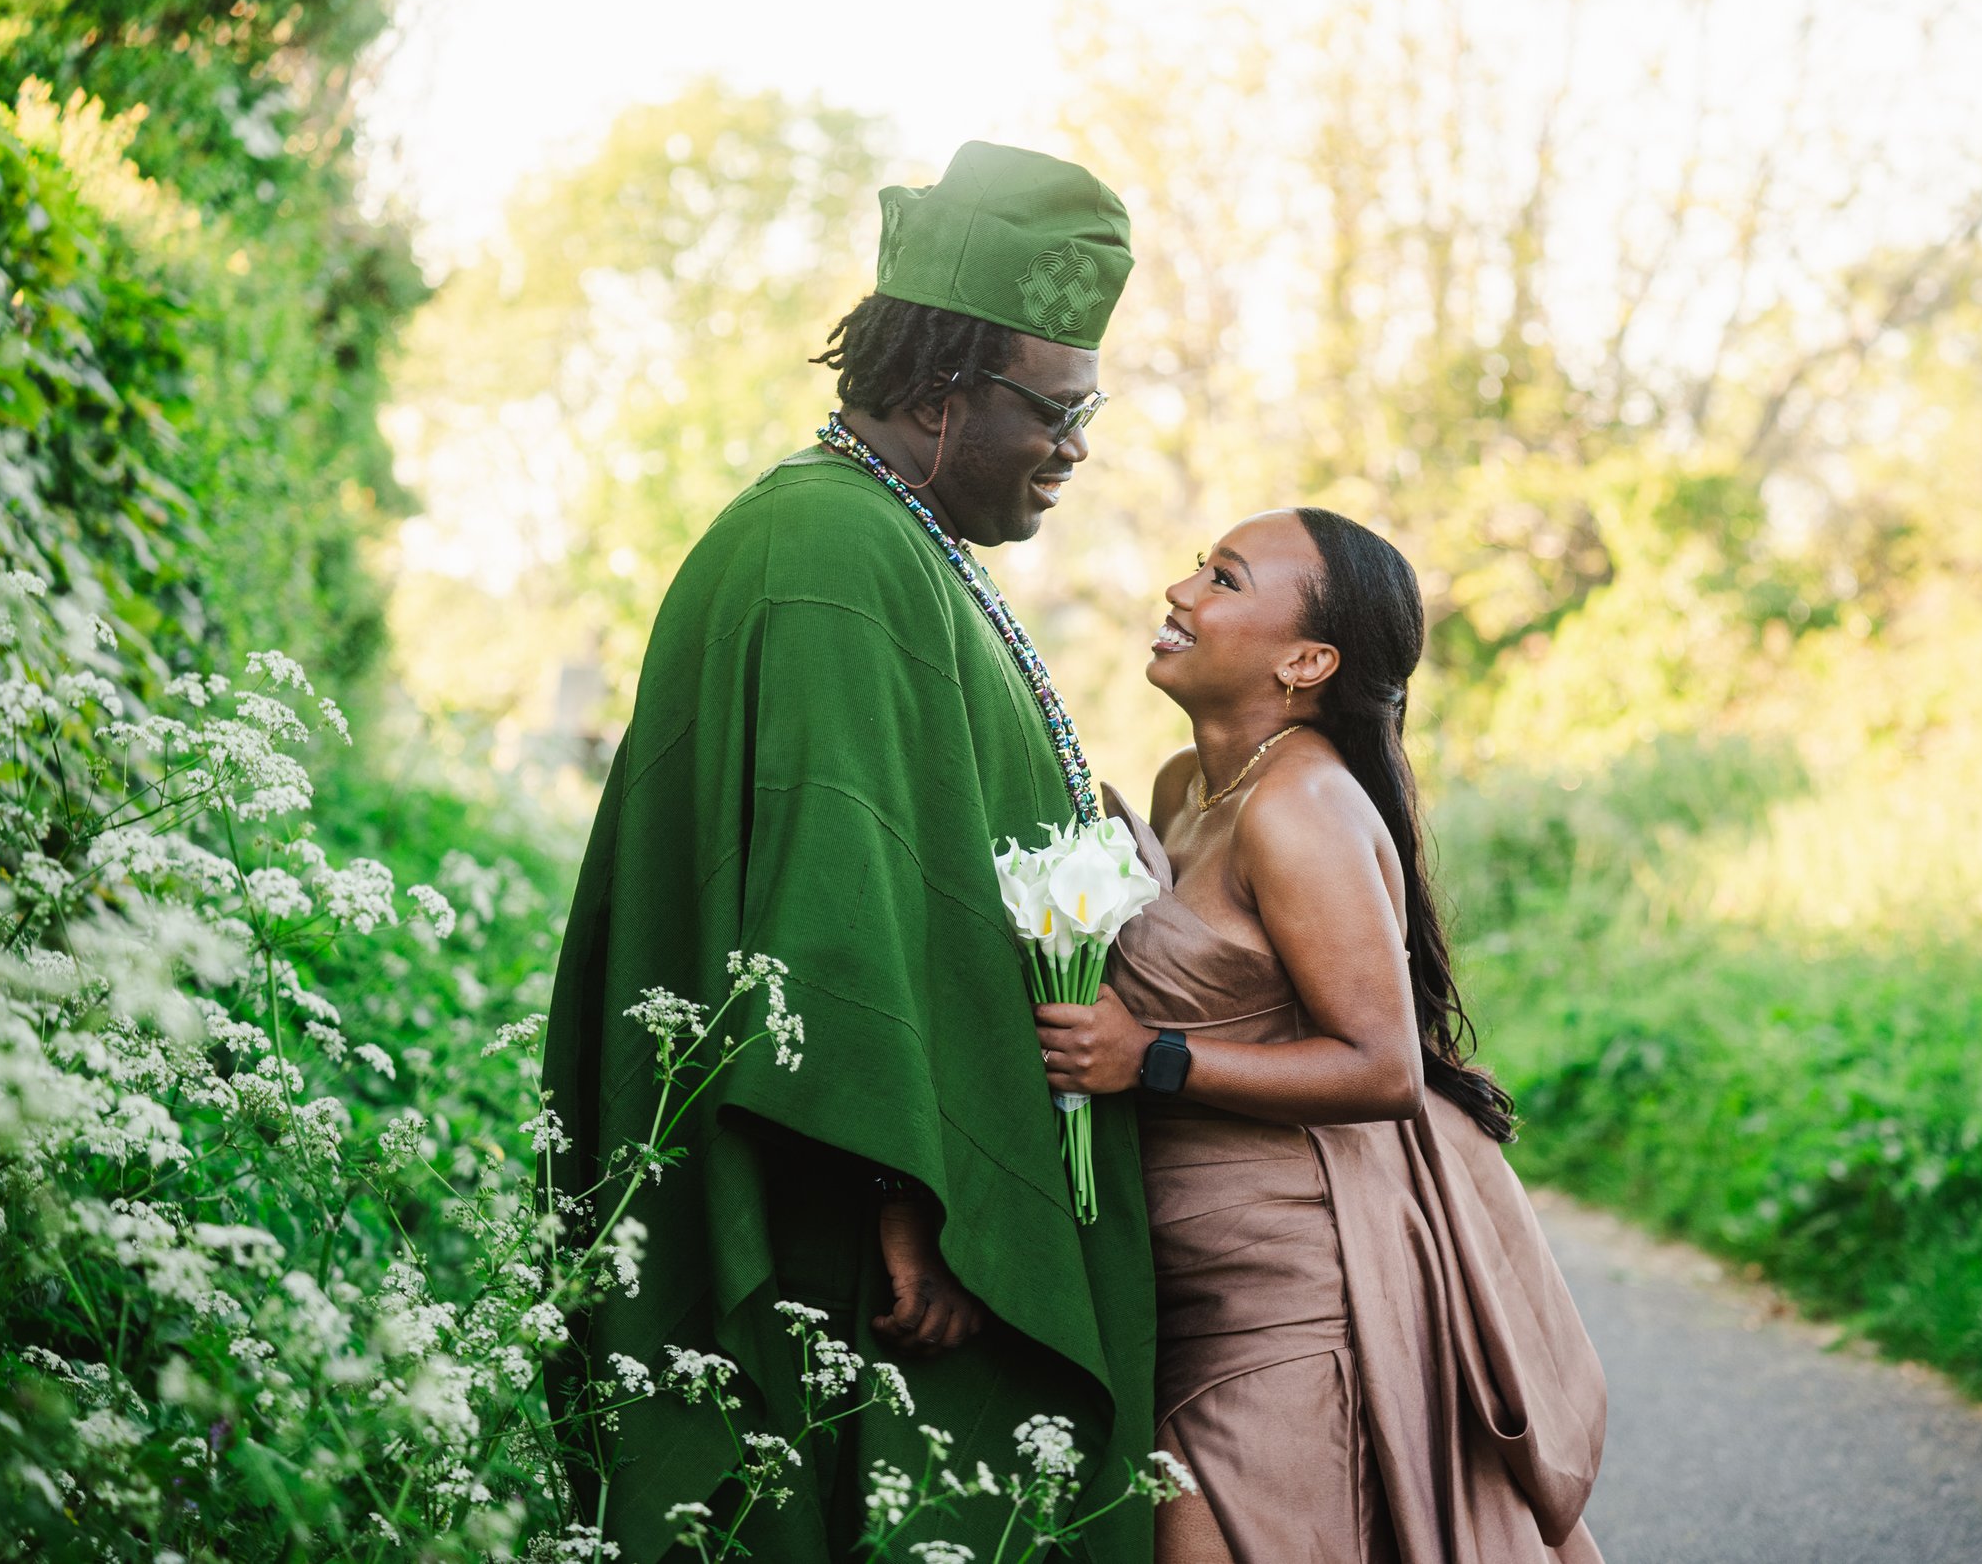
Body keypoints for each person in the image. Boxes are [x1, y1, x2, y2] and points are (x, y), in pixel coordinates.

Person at [541, 142, 1158, 1563]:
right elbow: (829, 907)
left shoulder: (901, 539)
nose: (1074, 450)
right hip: (874, 1238)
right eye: (1055, 413)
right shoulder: (831, 551)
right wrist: (912, 1208)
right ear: (946, 389)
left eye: (1091, 414)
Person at [1035, 508, 1609, 1564]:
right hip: (1183, 1274)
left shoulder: (1297, 806)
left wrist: (1150, 1058)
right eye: (1199, 564)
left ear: (1306, 660)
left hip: (1289, 1297)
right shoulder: (1184, 786)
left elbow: (1381, 1064)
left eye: (1224, 578)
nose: (1180, 590)